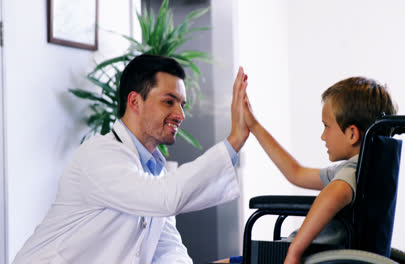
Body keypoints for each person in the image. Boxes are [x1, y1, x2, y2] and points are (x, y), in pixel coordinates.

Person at [13, 54, 249, 264]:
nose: (180, 114)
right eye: (169, 101)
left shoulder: (154, 172)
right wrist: (234, 141)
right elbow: (164, 197)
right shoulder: (99, 156)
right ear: (135, 101)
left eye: (182, 104)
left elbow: (167, 251)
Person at [242, 76, 397, 264]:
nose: (323, 136)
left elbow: (333, 194)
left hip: (308, 255)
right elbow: (296, 173)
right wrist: (254, 126)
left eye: (327, 126)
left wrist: (294, 251)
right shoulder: (366, 169)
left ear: (352, 134)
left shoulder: (352, 171)